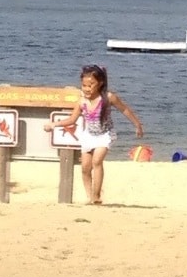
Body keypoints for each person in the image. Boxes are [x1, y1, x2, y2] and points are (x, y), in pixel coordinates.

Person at [43, 64, 144, 205]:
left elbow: (124, 109)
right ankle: (90, 196)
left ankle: (96, 196)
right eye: (84, 85)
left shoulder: (108, 98)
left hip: (105, 135)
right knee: (85, 167)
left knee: (97, 161)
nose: (87, 88)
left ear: (100, 83)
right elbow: (72, 119)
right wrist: (54, 125)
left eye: (91, 85)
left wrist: (137, 124)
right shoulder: (82, 102)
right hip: (89, 135)